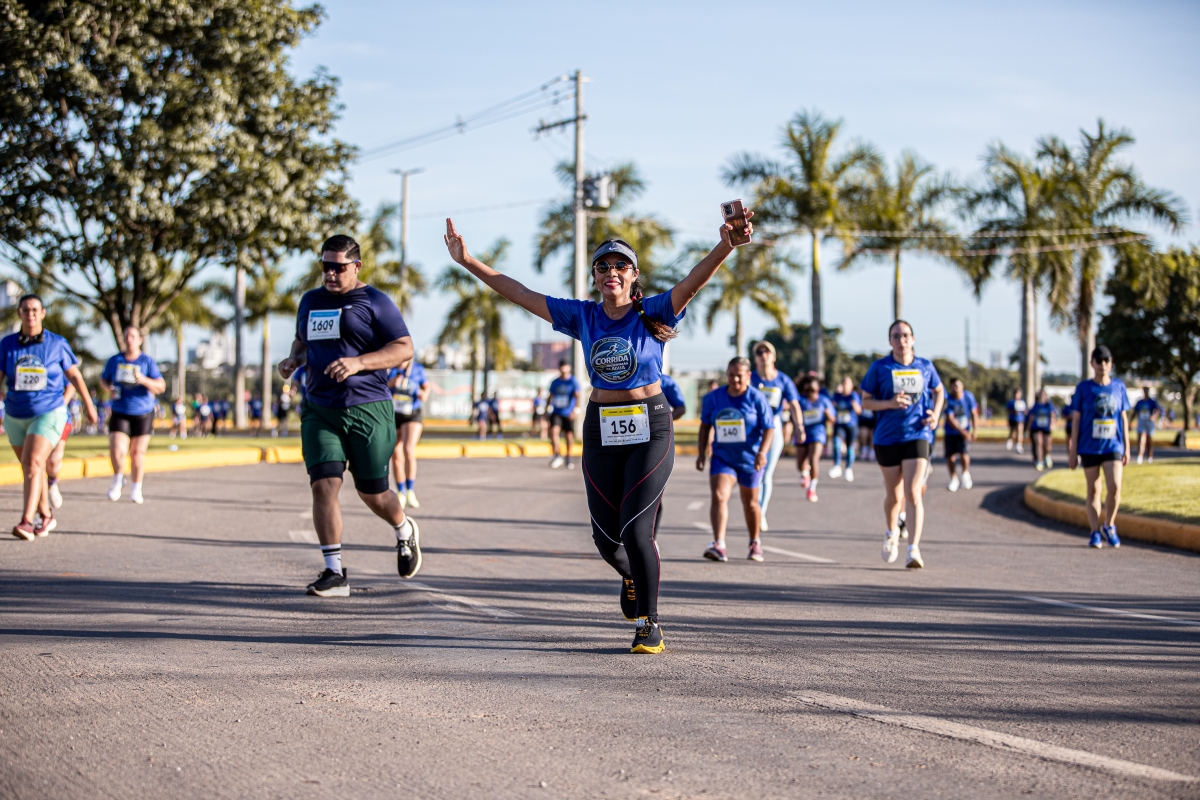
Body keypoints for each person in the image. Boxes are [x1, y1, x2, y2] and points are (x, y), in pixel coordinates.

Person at [443, 206, 750, 655]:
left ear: (634, 275)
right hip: (601, 427)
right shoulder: (583, 316)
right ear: (594, 277)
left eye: (621, 266)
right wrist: (468, 261)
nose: (611, 272)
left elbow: (693, 282)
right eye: (603, 267)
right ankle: (631, 575)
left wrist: (725, 245)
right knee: (606, 540)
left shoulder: (654, 310)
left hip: (650, 424)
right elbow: (521, 294)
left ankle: (649, 623)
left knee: (636, 529)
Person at [278, 234, 419, 596]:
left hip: (368, 409)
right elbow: (302, 341)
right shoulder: (310, 301)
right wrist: (294, 359)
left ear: (356, 266)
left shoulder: (374, 301)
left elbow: (404, 348)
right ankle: (334, 571)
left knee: (374, 494)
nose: (330, 273)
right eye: (325, 266)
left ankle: (404, 529)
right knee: (324, 484)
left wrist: (359, 363)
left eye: (338, 267)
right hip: (320, 409)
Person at [0, 294, 98, 539]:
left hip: (49, 411)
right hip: (15, 414)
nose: (30, 314)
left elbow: (74, 376)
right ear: (19, 313)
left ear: (43, 313)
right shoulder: (7, 344)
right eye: (25, 310)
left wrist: (89, 405)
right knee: (32, 468)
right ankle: (46, 515)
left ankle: (26, 521)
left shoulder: (57, 343)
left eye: (35, 310)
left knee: (33, 463)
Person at [860, 320, 944, 569]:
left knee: (913, 491)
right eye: (896, 336)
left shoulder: (925, 366)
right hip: (887, 437)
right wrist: (889, 403)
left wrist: (936, 414)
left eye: (905, 335)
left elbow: (939, 391)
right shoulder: (880, 367)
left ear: (913, 339)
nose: (901, 340)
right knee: (894, 496)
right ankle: (891, 532)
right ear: (890, 341)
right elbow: (866, 401)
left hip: (917, 434)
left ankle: (913, 549)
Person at [697, 357, 774, 562]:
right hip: (723, 457)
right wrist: (701, 453)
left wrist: (762, 453)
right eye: (731, 375)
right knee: (719, 495)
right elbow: (705, 425)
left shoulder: (757, 398)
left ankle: (755, 542)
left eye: (739, 375)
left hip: (750, 459)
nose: (735, 379)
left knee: (750, 503)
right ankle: (719, 544)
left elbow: (769, 428)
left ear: (748, 376)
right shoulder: (714, 397)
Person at [1068, 346, 1130, 549]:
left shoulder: (1119, 387)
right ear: (1092, 364)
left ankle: (1109, 525)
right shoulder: (1083, 388)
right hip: (1089, 447)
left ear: (1111, 363)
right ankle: (1094, 531)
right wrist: (1073, 450)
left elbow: (1123, 418)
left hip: (1113, 446)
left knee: (1115, 487)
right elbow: (1076, 420)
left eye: (1106, 361)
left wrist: (1127, 446)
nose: (1103, 365)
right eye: (1098, 361)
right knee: (1094, 489)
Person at [99, 326, 167, 504]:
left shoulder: (147, 361)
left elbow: (161, 386)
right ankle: (117, 479)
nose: (129, 339)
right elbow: (103, 379)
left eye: (133, 336)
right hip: (120, 410)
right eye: (126, 336)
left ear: (139, 340)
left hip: (143, 412)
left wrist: (143, 380)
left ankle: (136, 488)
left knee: (137, 453)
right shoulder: (115, 360)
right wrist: (109, 389)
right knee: (117, 450)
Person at [750, 341, 800, 531]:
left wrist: (799, 426)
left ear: (774, 356)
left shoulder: (783, 380)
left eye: (767, 351)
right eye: (759, 352)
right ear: (755, 358)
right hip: (753, 428)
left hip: (774, 426)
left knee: (766, 473)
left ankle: (760, 513)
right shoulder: (750, 378)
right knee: (754, 472)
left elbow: (794, 404)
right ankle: (754, 508)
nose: (763, 355)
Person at [389, 360, 430, 508]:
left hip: (412, 413)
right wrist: (391, 383)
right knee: (395, 452)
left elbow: (426, 388)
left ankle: (410, 490)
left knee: (408, 449)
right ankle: (401, 492)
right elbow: (379, 387)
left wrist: (422, 394)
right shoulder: (389, 368)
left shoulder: (417, 369)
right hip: (394, 413)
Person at [795, 375, 835, 502]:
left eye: (813, 390)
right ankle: (805, 473)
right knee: (800, 465)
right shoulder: (801, 400)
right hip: (803, 433)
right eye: (808, 390)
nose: (811, 393)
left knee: (813, 459)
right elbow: (794, 414)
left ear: (818, 389)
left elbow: (833, 419)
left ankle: (812, 488)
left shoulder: (824, 401)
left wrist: (828, 416)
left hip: (818, 434)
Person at [942, 378, 979, 490]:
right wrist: (962, 432)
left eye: (957, 385)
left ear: (962, 386)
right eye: (953, 385)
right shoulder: (948, 399)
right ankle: (954, 479)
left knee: (964, 454)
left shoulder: (968, 397)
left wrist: (975, 431)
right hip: (951, 432)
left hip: (965, 431)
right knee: (950, 457)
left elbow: (974, 413)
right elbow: (950, 418)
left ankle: (965, 474)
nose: (955, 388)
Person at [46, 381, 77, 509]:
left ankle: (52, 483)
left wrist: (59, 407)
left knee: (53, 462)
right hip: (31, 415)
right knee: (35, 463)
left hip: (58, 417)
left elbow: (72, 384)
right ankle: (40, 510)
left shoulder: (59, 367)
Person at [547, 360, 580, 469]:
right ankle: (557, 455)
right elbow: (550, 396)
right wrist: (547, 409)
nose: (563, 369)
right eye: (562, 366)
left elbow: (577, 396)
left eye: (565, 366)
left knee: (569, 435)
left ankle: (568, 458)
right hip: (556, 411)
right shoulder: (555, 382)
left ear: (569, 368)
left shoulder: (572, 381)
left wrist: (575, 410)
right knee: (554, 431)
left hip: (568, 412)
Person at [828, 376, 862, 482]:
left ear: (851, 386)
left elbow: (859, 411)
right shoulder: (837, 396)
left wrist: (854, 405)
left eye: (847, 383)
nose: (845, 385)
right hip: (840, 425)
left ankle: (848, 468)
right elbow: (831, 408)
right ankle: (837, 466)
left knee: (850, 448)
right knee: (836, 443)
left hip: (851, 426)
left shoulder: (854, 396)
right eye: (843, 383)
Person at [1028, 388, 1057, 471]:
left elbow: (1052, 414)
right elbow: (1031, 416)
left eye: (1043, 394)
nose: (1042, 396)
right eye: (1040, 394)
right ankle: (1039, 461)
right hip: (1036, 427)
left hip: (1046, 427)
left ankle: (1047, 455)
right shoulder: (1036, 405)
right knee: (1038, 443)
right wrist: (1028, 427)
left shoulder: (1048, 405)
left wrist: (1052, 424)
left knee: (1047, 446)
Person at [1133, 386, 1160, 465]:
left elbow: (1157, 410)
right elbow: (1135, 411)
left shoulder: (1152, 401)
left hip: (1149, 422)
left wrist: (1153, 417)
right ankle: (1140, 456)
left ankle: (1149, 456)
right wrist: (1130, 421)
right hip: (1141, 421)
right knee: (1140, 439)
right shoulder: (1139, 402)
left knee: (1149, 441)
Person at [857, 387, 876, 462]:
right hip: (864, 420)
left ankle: (872, 451)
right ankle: (864, 449)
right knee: (863, 433)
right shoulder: (861, 397)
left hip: (874, 419)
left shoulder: (876, 396)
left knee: (872, 434)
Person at [1006, 389, 1027, 454]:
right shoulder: (1011, 402)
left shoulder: (1022, 402)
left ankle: (1019, 445)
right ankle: (1010, 440)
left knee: (1020, 431)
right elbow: (1007, 410)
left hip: (1020, 419)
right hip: (1012, 418)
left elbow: (1025, 410)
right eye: (1016, 393)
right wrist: (1013, 411)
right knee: (1013, 432)